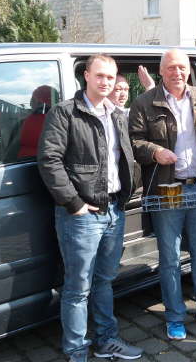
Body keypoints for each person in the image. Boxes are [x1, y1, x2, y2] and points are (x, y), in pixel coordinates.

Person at [38, 54, 143, 361]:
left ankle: (107, 340)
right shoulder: (65, 112)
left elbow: (125, 157)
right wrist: (74, 203)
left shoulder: (117, 114)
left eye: (110, 77)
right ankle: (76, 351)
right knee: (78, 288)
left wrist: (125, 195)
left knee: (105, 282)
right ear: (86, 76)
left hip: (114, 210)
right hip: (82, 215)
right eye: (99, 76)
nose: (105, 82)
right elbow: (49, 160)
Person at [128, 48, 196, 340]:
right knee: (170, 259)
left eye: (182, 67)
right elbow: (134, 142)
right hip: (168, 190)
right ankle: (174, 316)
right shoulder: (144, 103)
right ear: (161, 71)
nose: (177, 72)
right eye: (171, 67)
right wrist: (154, 151)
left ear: (188, 70)